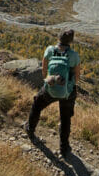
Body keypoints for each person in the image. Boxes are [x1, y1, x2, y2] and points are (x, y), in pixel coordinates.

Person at [25, 29, 81, 157]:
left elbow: (44, 70)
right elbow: (77, 77)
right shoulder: (74, 56)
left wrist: (48, 81)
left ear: (58, 38)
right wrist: (69, 85)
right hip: (68, 91)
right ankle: (64, 148)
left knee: (37, 104)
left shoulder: (50, 50)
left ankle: (30, 129)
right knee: (65, 118)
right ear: (71, 41)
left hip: (50, 86)